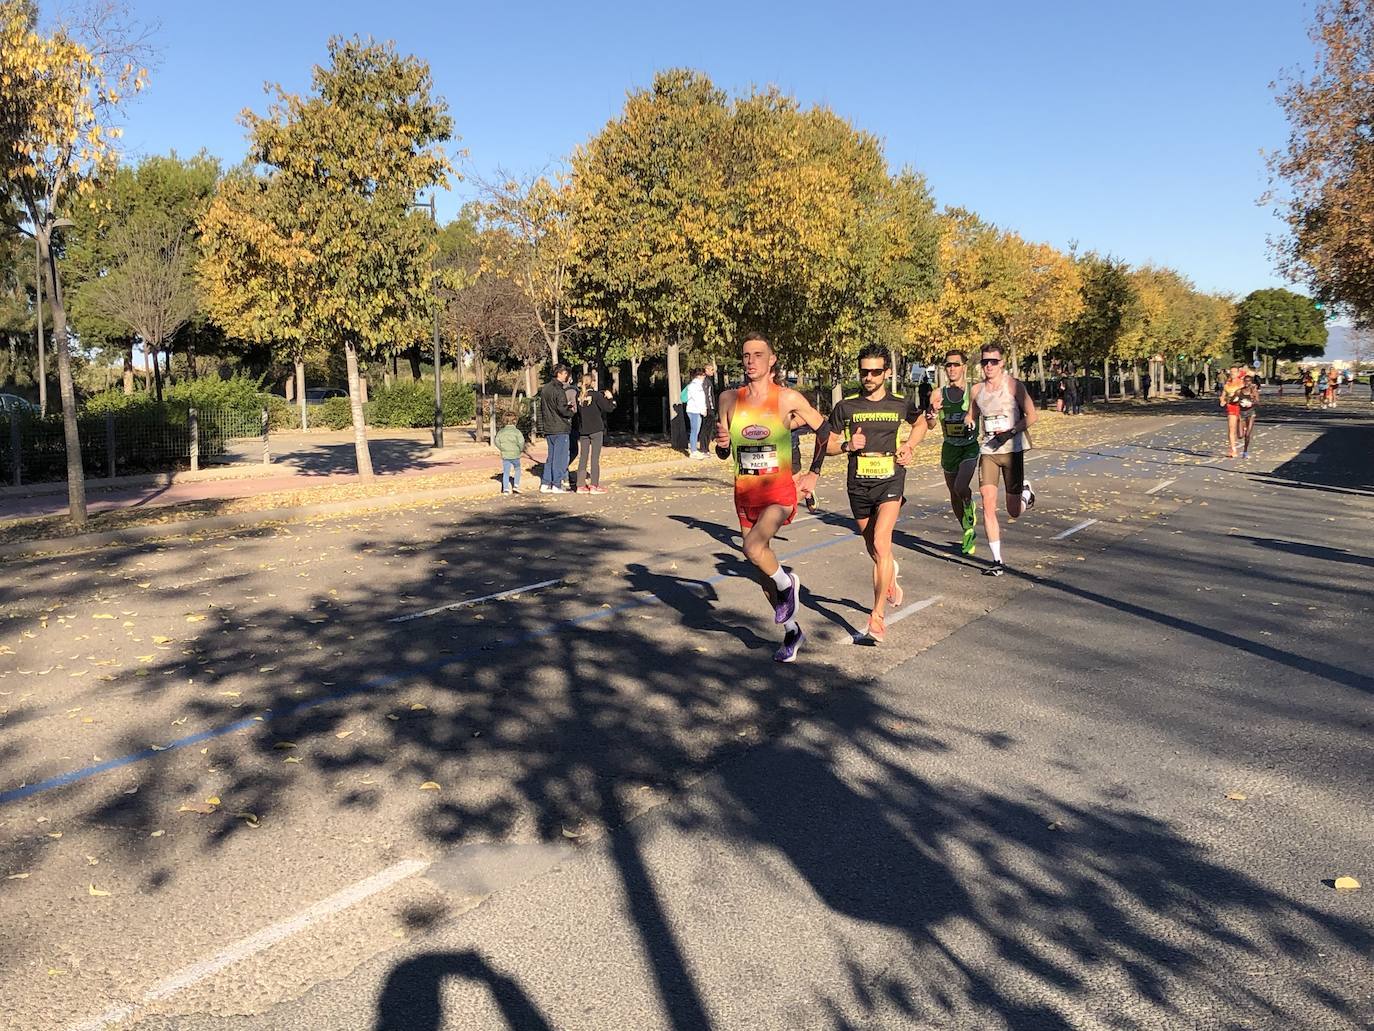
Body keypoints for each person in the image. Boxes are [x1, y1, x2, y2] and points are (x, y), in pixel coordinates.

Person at [715, 331, 831, 662]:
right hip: (744, 494)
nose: (751, 361)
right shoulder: (728, 399)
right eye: (746, 355)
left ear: (772, 360)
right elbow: (723, 450)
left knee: (751, 548)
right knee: (761, 570)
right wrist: (722, 445)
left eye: (758, 355)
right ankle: (792, 629)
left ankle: (788, 582)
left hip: (779, 492)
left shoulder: (787, 399)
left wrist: (813, 473)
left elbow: (824, 432)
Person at [827, 344, 922, 643]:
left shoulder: (899, 403)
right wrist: (846, 446)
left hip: (891, 480)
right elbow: (827, 445)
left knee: (881, 542)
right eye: (864, 371)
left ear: (887, 372)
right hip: (858, 484)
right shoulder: (846, 407)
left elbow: (920, 422)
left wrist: (909, 446)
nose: (869, 377)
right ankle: (890, 574)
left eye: (875, 371)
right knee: (874, 548)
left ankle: (877, 615)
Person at [900, 349, 980, 556]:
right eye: (948, 365)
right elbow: (931, 424)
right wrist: (932, 412)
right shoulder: (937, 393)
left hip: (969, 446)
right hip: (949, 447)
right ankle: (967, 530)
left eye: (955, 364)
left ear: (964, 367)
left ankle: (970, 508)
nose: (952, 368)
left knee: (962, 486)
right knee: (953, 492)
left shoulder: (973, 390)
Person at [968, 342, 1037, 576]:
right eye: (985, 361)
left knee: (1013, 511)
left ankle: (1026, 494)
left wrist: (1012, 431)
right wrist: (968, 422)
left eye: (993, 361)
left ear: (1002, 363)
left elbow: (1032, 415)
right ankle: (997, 561)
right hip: (988, 451)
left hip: (1012, 450)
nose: (989, 366)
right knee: (987, 503)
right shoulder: (976, 390)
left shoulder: (1014, 386)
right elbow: (972, 415)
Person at [574, 374, 617, 493]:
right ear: (592, 382)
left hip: (583, 430)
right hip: (596, 429)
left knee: (583, 457)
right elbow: (609, 408)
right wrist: (610, 398)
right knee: (594, 458)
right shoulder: (597, 395)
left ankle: (580, 485)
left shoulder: (579, 396)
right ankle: (594, 485)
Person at [538, 364, 575, 493]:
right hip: (560, 427)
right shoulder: (559, 390)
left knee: (551, 456)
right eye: (565, 373)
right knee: (560, 457)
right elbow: (562, 409)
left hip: (548, 427)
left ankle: (545, 482)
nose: (566, 376)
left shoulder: (545, 389)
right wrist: (571, 411)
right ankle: (557, 484)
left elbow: (543, 408)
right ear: (559, 374)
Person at [494, 412, 529, 494]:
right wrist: (520, 450)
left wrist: (502, 448)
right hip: (515, 454)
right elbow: (521, 442)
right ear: (515, 421)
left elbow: (496, 441)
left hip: (505, 455)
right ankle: (516, 485)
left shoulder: (501, 432)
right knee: (517, 469)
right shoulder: (517, 432)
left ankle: (505, 489)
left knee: (506, 472)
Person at [1219, 364, 1247, 458]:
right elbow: (1223, 395)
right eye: (1231, 372)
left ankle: (1242, 429)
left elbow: (1247, 394)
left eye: (1234, 372)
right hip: (1231, 406)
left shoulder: (1242, 383)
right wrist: (1222, 400)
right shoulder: (1227, 384)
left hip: (1240, 407)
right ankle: (1233, 449)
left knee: (1240, 432)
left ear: (1238, 373)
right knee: (1231, 428)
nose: (1232, 374)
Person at [685, 369, 709, 459]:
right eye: (703, 375)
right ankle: (693, 451)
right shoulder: (694, 386)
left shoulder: (699, 385)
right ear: (698, 376)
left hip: (697, 410)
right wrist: (703, 410)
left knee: (696, 431)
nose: (704, 377)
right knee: (694, 431)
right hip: (693, 410)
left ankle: (694, 450)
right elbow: (697, 399)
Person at [1238, 373, 1259, 458]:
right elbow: (1232, 400)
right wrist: (1239, 402)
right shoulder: (1239, 391)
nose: (1247, 382)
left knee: (1247, 434)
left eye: (1249, 381)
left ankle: (1245, 451)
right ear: (1243, 382)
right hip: (1241, 413)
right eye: (1245, 381)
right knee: (1240, 436)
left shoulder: (1253, 391)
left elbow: (1258, 402)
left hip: (1251, 413)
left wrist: (1251, 402)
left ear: (1251, 382)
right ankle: (1242, 433)